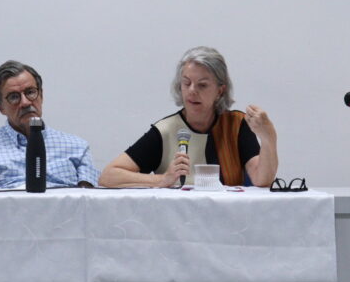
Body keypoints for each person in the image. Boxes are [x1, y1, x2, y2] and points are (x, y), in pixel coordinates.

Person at [99, 46, 278, 188]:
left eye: (202, 85)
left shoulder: (236, 125)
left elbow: (261, 180)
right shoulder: (165, 130)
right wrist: (162, 180)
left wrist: (269, 138)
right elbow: (108, 176)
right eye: (187, 83)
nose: (192, 91)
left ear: (220, 91)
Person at [0, 60, 99, 189]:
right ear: (0, 107)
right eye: (14, 97)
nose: (25, 102)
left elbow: (88, 203)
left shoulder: (77, 148)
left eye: (30, 92)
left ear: (41, 95)